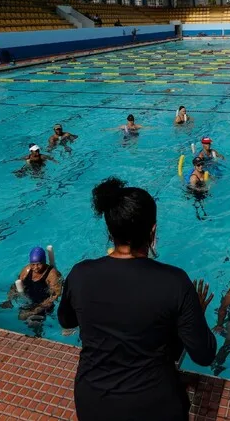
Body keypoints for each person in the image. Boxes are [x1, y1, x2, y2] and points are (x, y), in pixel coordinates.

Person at [57, 177, 217, 421]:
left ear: (110, 231)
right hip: (154, 405)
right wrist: (196, 316)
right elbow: (204, 355)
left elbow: (67, 321)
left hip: (94, 402)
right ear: (152, 231)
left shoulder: (80, 274)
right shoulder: (174, 282)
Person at [0, 246, 63, 322]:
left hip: (44, 303)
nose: (35, 267)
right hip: (29, 299)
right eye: (33, 264)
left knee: (35, 323)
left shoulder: (52, 274)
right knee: (20, 317)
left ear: (44, 262)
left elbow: (54, 296)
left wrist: (34, 311)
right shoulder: (27, 270)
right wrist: (9, 299)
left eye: (38, 264)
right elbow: (15, 285)